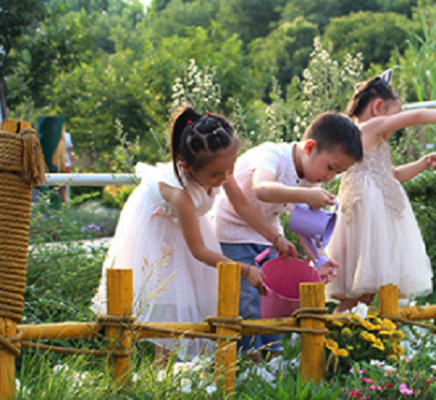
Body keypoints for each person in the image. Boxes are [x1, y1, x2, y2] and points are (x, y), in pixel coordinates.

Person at [91, 107, 296, 361]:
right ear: (186, 167)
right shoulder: (181, 195)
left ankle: (190, 368)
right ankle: (162, 367)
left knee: (200, 296)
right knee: (170, 300)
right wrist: (244, 270)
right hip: (159, 230)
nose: (224, 178)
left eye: (229, 169)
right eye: (215, 175)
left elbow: (243, 206)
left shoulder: (222, 170)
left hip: (190, 227)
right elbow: (198, 250)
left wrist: (276, 238)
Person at [213, 111, 363, 358]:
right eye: (330, 168)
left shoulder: (312, 179)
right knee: (247, 299)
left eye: (337, 173)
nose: (329, 177)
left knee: (273, 297)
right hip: (232, 231)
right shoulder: (272, 155)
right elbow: (262, 189)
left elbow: (304, 225)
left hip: (268, 234)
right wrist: (305, 195)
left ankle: (274, 357)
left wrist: (320, 259)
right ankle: (250, 361)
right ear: (310, 148)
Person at [325, 69, 436, 312]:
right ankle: (337, 339)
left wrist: (423, 163)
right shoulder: (370, 128)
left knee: (364, 295)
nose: (397, 122)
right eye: (395, 115)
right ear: (378, 107)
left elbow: (395, 175)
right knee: (361, 292)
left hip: (376, 216)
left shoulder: (369, 139)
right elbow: (418, 115)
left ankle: (353, 340)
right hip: (370, 218)